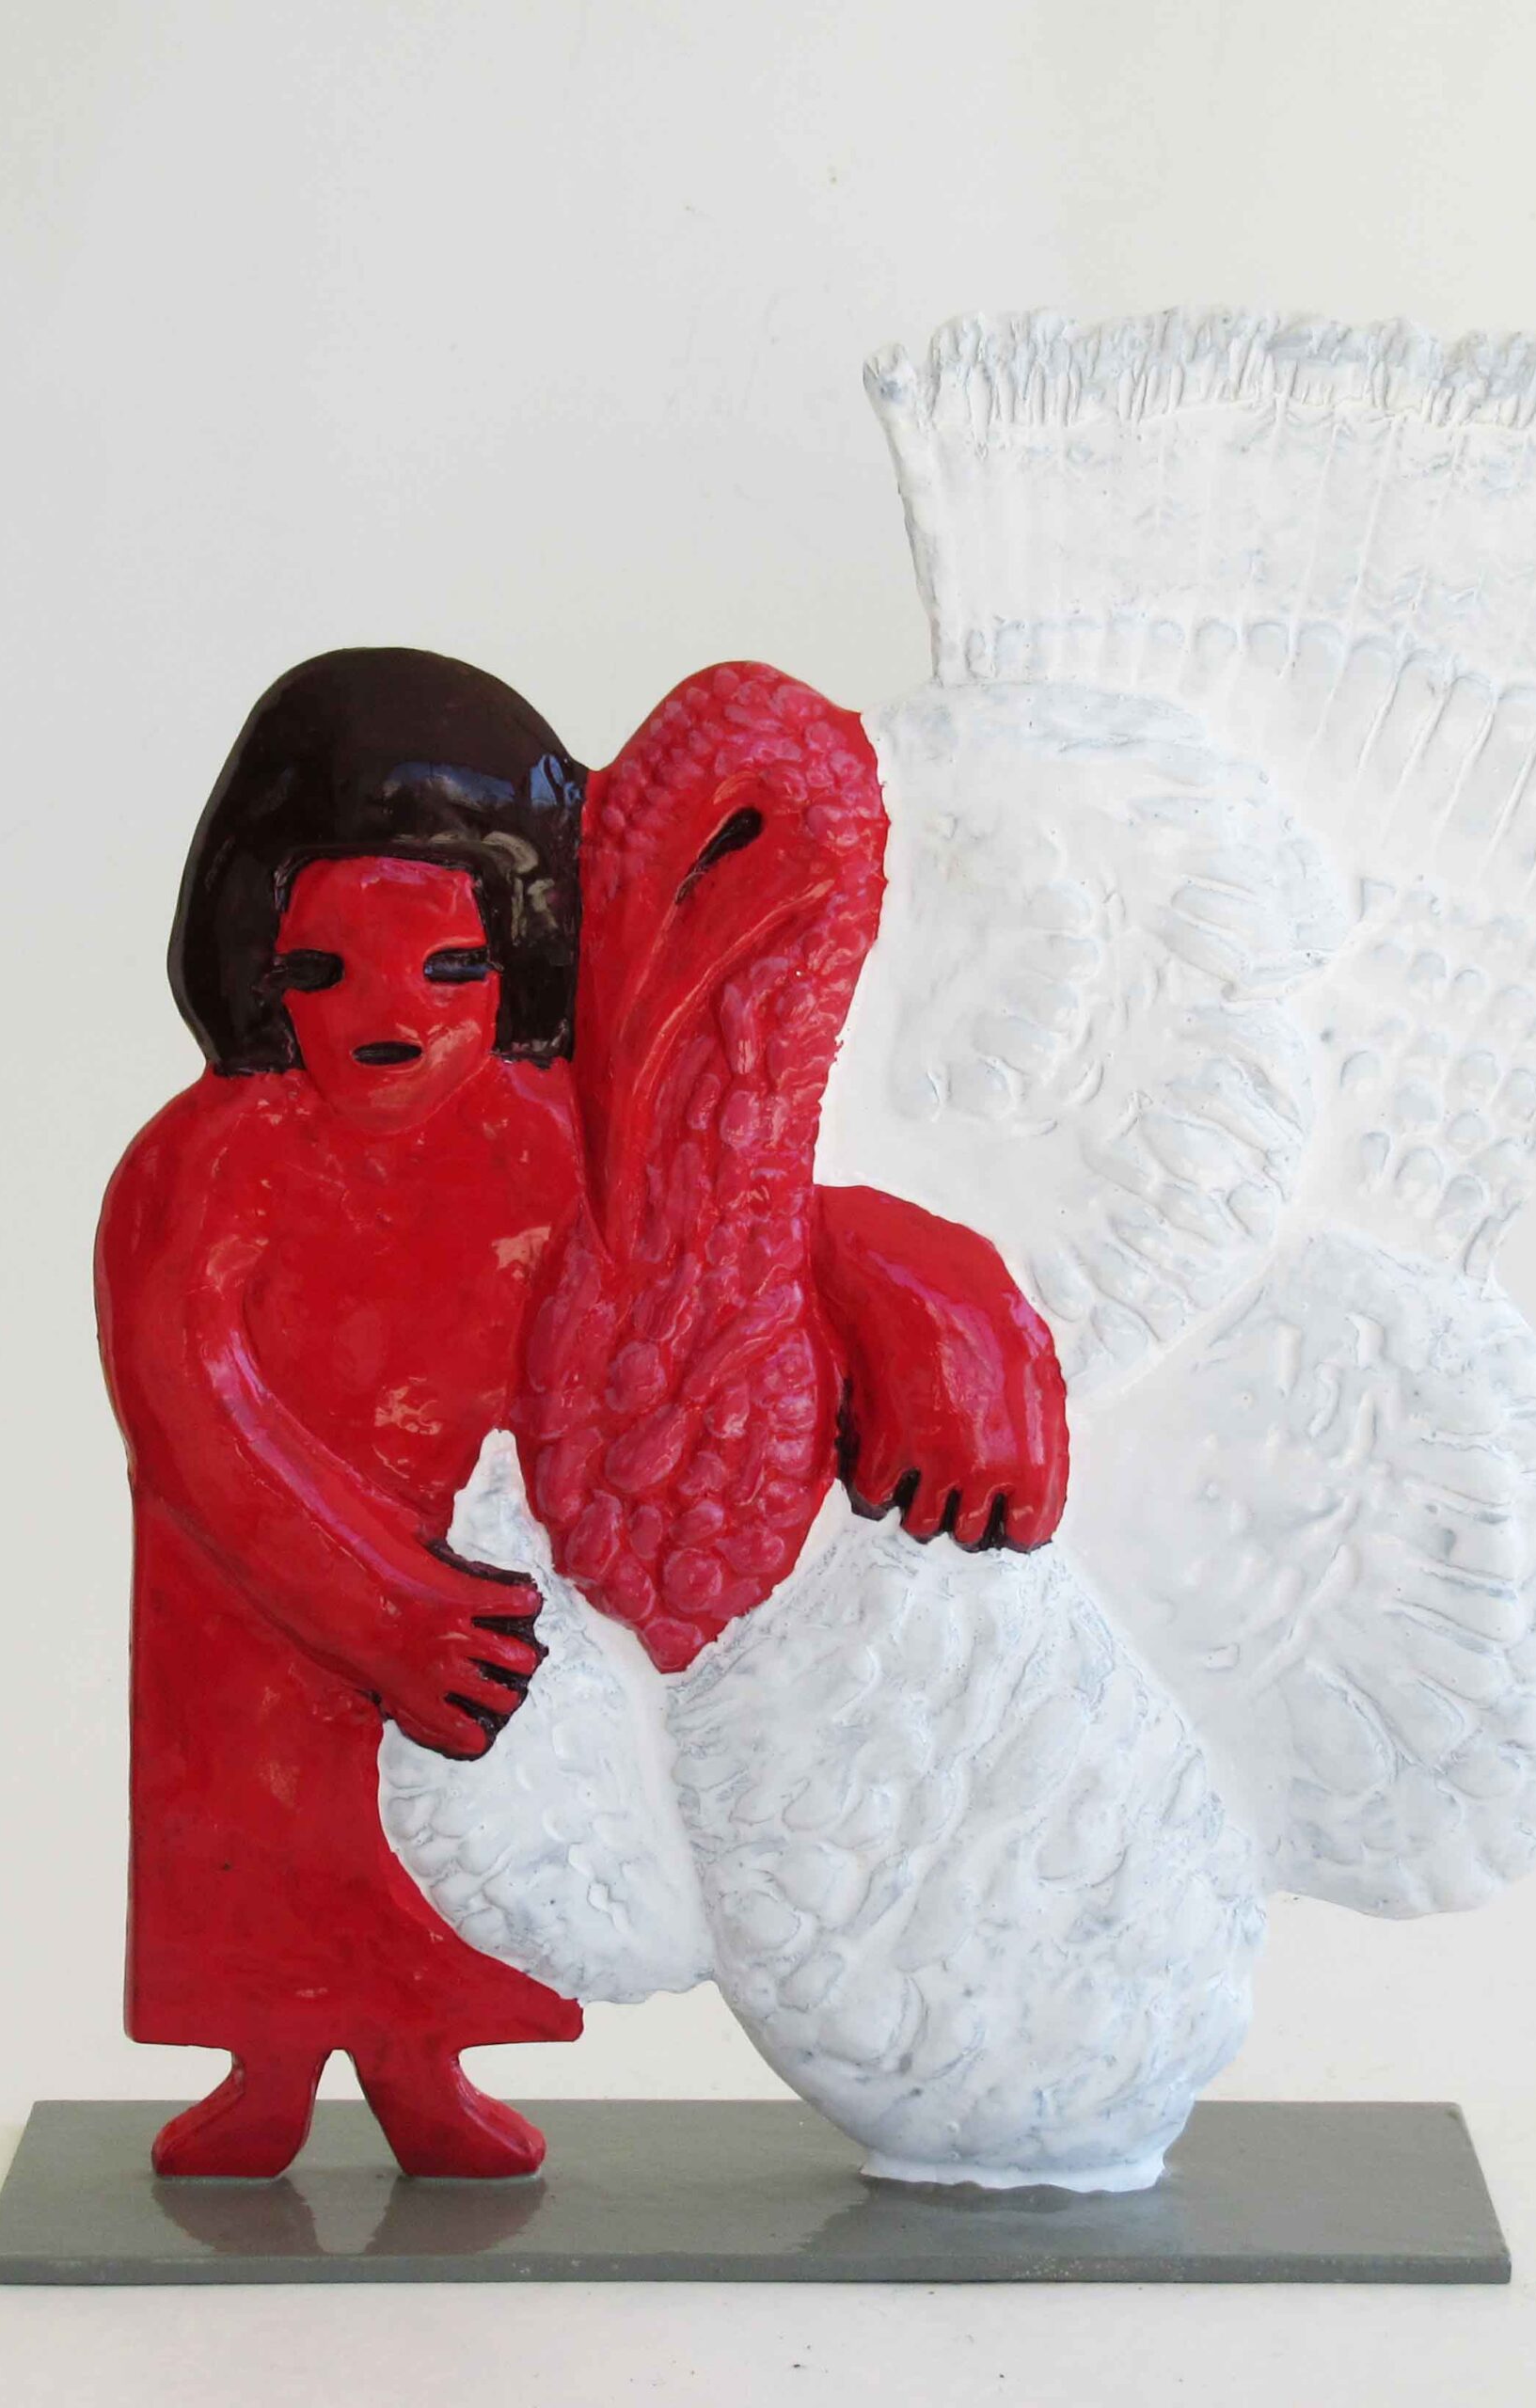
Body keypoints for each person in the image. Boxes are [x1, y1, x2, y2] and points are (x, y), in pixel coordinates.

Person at [97, 649, 1067, 2178]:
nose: (391, 1018)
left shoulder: (556, 1128)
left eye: (447, 970)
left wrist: (944, 1314)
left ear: (518, 957)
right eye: (324, 973)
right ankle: (262, 2074)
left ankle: (425, 2071)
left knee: (456, 1852)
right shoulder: (205, 1161)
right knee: (256, 1833)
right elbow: (186, 1408)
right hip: (267, 1609)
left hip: (487, 1581)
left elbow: (749, 1230)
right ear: (256, 960)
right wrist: (373, 1607)